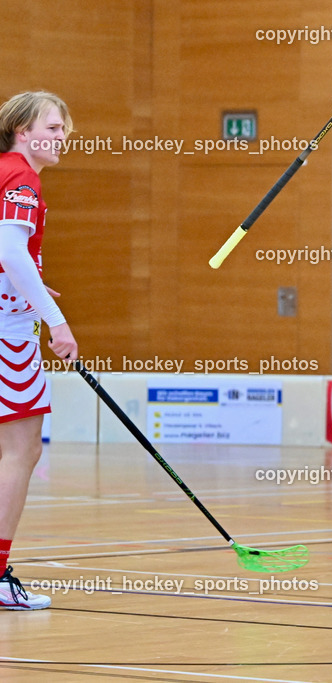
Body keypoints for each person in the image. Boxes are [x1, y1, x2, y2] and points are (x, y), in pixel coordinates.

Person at [0, 91, 79, 610]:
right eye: (52, 128)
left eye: (63, 130)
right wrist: (57, 322)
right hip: (8, 333)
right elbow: (10, 250)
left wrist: (27, 282)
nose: (61, 138)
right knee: (22, 449)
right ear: (22, 130)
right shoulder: (21, 178)